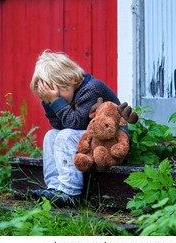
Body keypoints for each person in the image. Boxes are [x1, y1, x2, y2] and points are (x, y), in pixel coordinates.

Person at [29, 49, 122, 207]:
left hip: (110, 140)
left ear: (71, 79)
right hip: (88, 139)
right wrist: (49, 102)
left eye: (57, 94)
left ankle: (69, 192)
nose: (56, 98)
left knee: (66, 136)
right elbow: (58, 124)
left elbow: (75, 123)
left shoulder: (91, 89)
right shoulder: (69, 91)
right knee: (51, 135)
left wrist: (55, 101)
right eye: (50, 96)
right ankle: (54, 188)